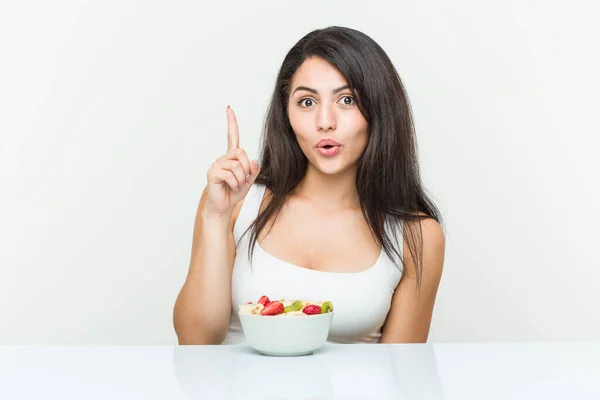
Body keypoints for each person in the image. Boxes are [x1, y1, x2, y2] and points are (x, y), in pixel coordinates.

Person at [173, 26, 446, 345]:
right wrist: (216, 216)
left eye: (347, 100)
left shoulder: (418, 237)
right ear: (286, 113)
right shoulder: (234, 204)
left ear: (379, 110)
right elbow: (195, 342)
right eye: (306, 102)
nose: (325, 121)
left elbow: (402, 375)